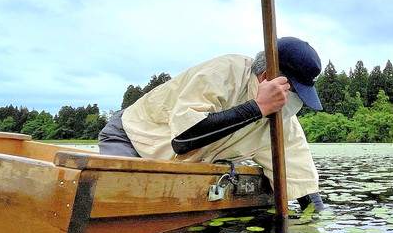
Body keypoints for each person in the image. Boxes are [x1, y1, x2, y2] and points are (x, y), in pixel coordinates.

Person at [98, 37, 324, 212]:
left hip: (184, 165)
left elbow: (303, 185)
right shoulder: (224, 71)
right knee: (116, 198)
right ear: (267, 78)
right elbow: (183, 139)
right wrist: (257, 107)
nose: (294, 102)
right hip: (133, 136)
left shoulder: (283, 121)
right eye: (292, 91)